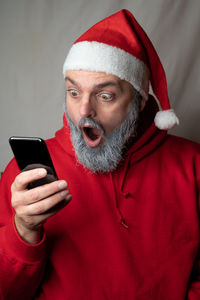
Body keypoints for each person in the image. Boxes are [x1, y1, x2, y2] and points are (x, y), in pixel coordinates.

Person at [0, 9, 199, 300]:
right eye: (74, 92)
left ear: (139, 101)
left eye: (105, 96)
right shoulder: (26, 175)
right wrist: (23, 229)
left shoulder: (193, 166)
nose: (84, 112)